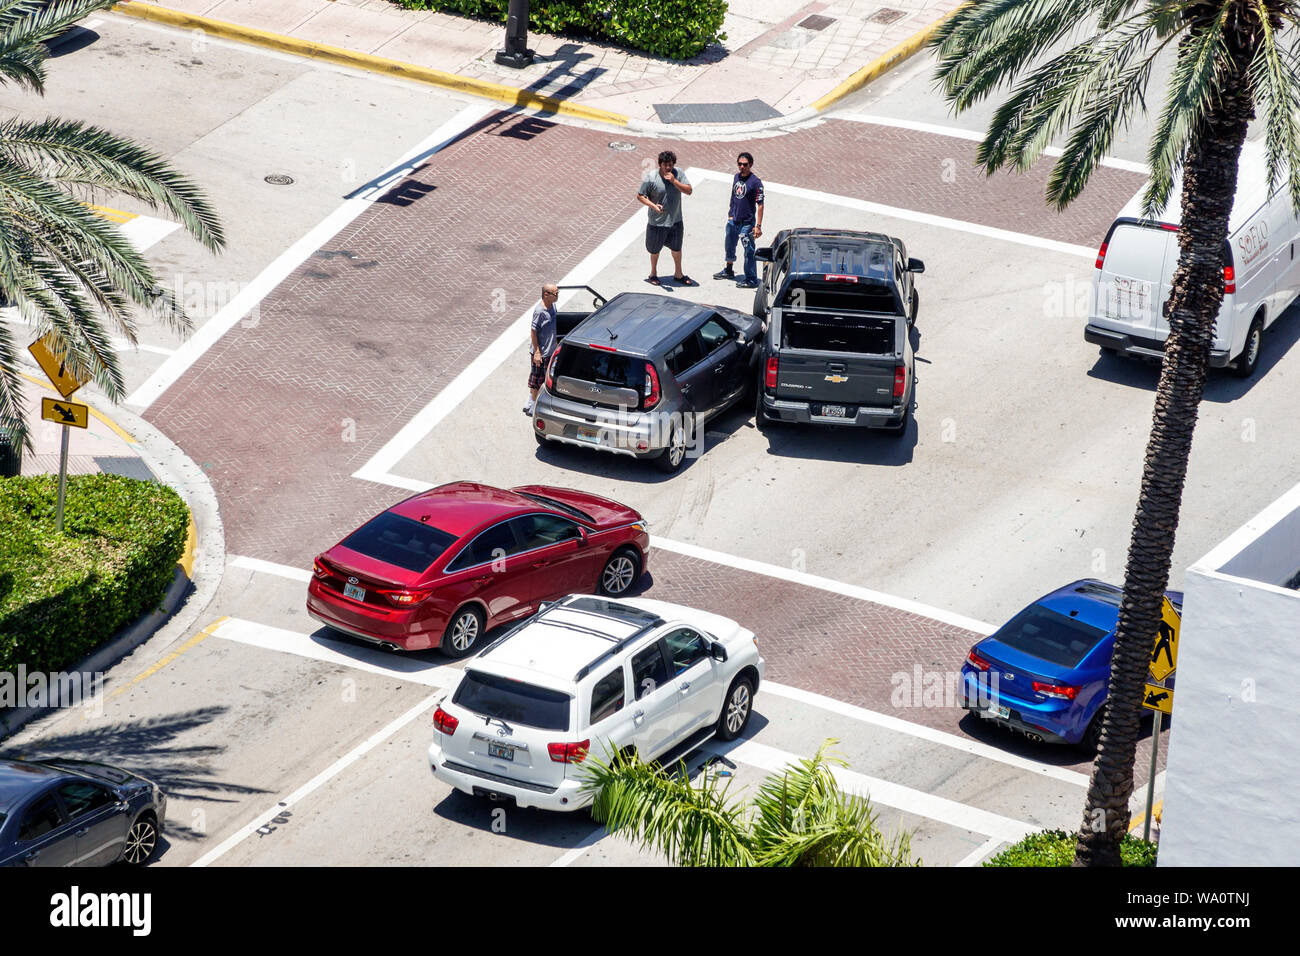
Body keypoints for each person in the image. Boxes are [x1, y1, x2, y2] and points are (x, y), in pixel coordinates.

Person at [638, 150, 695, 287]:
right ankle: (653, 273)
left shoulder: (678, 173)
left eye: (670, 165)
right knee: (654, 250)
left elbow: (689, 190)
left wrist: (674, 181)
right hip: (657, 222)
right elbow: (640, 195)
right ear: (660, 165)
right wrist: (653, 206)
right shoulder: (651, 178)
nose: (668, 168)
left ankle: (678, 274)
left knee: (676, 248)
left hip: (675, 220)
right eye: (665, 165)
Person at [713, 152, 764, 288]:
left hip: (746, 224)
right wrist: (730, 214)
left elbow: (760, 205)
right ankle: (729, 270)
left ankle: (751, 279)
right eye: (739, 164)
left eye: (745, 164)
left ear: (751, 165)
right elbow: (733, 196)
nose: (742, 167)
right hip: (733, 221)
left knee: (749, 251)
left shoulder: (756, 183)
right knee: (729, 245)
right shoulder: (736, 177)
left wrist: (757, 226)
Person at [525, 283, 559, 415]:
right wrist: (537, 352)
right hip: (541, 353)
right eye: (555, 294)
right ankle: (533, 407)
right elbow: (533, 332)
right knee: (536, 381)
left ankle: (529, 402)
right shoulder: (540, 312)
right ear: (546, 294)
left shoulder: (553, 307)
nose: (557, 296)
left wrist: (555, 342)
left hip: (550, 351)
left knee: (543, 379)